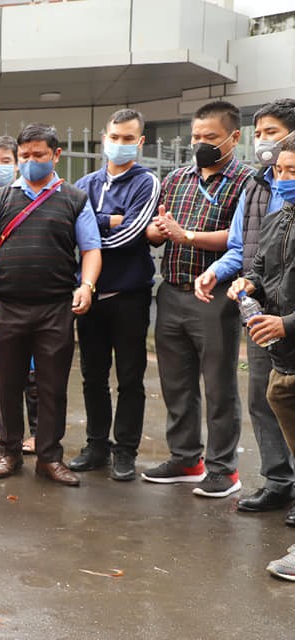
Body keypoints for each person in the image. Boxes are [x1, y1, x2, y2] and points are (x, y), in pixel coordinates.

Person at [0, 123, 102, 487]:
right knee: (7, 385)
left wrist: (87, 286)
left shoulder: (74, 199)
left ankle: (49, 457)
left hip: (55, 308)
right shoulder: (0, 199)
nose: (31, 162)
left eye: (38, 155)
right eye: (24, 156)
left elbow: (91, 250)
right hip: (8, 307)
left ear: (56, 155)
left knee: (52, 386)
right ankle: (10, 452)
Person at [142, 100, 255, 498]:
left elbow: (240, 239)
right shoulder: (176, 179)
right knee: (176, 383)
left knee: (219, 384)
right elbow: (160, 229)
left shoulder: (247, 182)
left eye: (211, 137)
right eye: (196, 137)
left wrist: (185, 235)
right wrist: (158, 231)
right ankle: (186, 458)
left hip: (216, 297)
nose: (202, 144)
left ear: (234, 138)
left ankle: (224, 468)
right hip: (171, 290)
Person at [196, 99, 295, 514]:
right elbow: (244, 249)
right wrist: (224, 273)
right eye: (259, 134)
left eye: (271, 133)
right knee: (266, 398)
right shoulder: (257, 185)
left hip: (289, 318)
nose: (264, 144)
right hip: (260, 314)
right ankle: (278, 481)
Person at [68, 109, 160, 481]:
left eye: (127, 139)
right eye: (114, 137)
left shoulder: (147, 182)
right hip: (90, 296)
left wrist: (95, 226)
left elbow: (132, 233)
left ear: (139, 142)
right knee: (92, 375)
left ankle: (126, 451)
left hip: (129, 296)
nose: (118, 144)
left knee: (130, 376)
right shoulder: (84, 183)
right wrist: (111, 219)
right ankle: (96, 445)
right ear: (104, 138)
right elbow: (73, 232)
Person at [227, 138, 295, 577]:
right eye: (281, 171)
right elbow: (262, 270)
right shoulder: (276, 220)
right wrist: (247, 285)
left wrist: (287, 324)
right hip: (284, 366)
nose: (284, 180)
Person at [0, 136, 39, 454]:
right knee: (0, 369)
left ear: (17, 165)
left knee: (31, 371)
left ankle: (38, 433)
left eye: (5, 161)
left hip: (21, 298)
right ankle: (7, 430)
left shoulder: (28, 200)